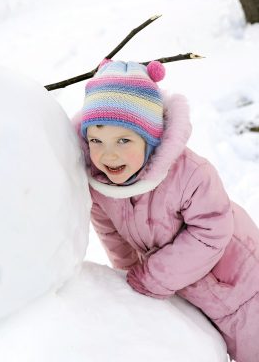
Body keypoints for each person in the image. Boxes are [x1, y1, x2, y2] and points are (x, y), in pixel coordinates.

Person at [74, 59, 259, 362]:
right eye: (97, 140)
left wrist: (152, 278)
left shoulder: (189, 174)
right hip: (189, 290)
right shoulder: (103, 187)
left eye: (123, 140)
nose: (108, 154)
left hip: (242, 286)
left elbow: (211, 231)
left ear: (150, 138)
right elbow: (114, 237)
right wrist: (130, 281)